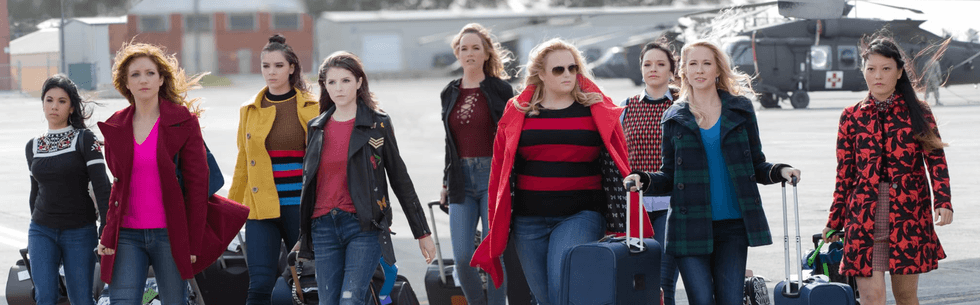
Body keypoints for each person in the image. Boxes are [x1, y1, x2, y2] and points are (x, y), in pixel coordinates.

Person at [471, 38, 653, 305]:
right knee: (546, 299)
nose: (568, 74)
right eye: (559, 70)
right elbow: (499, 170)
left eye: (573, 68)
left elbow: (619, 159)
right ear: (541, 75)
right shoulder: (518, 111)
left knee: (563, 290)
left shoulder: (596, 108)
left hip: (581, 214)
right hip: (527, 220)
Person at [624, 40, 802, 305]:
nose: (699, 70)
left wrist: (780, 171)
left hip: (733, 227)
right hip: (688, 226)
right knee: (703, 300)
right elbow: (669, 175)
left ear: (718, 69)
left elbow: (756, 164)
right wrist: (645, 179)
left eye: (706, 63)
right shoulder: (673, 116)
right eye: (692, 64)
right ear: (683, 71)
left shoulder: (740, 109)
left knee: (730, 300)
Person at [296, 51, 437, 305]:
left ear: (359, 82)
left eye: (346, 80)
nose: (338, 88)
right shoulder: (316, 127)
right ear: (324, 87)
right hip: (323, 227)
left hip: (363, 227)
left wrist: (422, 232)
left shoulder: (378, 124)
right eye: (332, 82)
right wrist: (303, 234)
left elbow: (400, 178)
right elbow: (312, 184)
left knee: (351, 301)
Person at [822, 37, 952, 305]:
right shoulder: (851, 116)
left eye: (886, 69)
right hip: (863, 215)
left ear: (899, 71)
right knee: (872, 297)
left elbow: (936, 160)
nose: (877, 76)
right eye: (871, 69)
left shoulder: (919, 111)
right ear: (863, 71)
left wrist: (943, 201)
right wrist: (834, 220)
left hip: (908, 214)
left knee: (905, 296)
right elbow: (844, 174)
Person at [96, 42, 209, 304]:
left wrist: (192, 241)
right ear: (125, 83)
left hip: (170, 234)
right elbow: (118, 185)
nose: (143, 80)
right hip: (126, 236)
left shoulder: (183, 121)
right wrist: (108, 233)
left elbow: (197, 185)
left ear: (161, 79)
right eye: (135, 74)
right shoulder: (116, 125)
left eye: (150, 73)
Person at [228, 34, 319, 305]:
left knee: (308, 282)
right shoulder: (250, 110)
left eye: (278, 66)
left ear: (292, 67)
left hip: (302, 209)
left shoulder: (313, 107)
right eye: (265, 66)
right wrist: (231, 212)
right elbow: (243, 163)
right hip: (260, 209)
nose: (271, 72)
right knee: (260, 285)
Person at [438, 23, 515, 305]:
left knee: (493, 255)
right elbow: (449, 142)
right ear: (457, 54)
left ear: (486, 54)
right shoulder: (449, 92)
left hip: (493, 178)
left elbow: (513, 136)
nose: (468, 53)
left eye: (475, 48)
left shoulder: (501, 89)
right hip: (460, 179)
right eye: (463, 48)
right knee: (462, 258)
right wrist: (446, 182)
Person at [26, 74, 110, 305]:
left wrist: (106, 226)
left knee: (81, 298)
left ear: (72, 107)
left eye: (62, 101)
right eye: (49, 100)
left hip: (79, 231)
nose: (54, 106)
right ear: (42, 103)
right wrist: (32, 228)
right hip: (41, 230)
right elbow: (36, 191)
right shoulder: (33, 146)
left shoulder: (85, 139)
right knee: (45, 296)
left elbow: (103, 186)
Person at [618, 41, 681, 305]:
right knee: (638, 280)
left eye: (660, 64)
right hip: (636, 205)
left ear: (672, 70)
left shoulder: (684, 104)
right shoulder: (626, 107)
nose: (653, 69)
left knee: (665, 281)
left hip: (673, 203)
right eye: (647, 64)